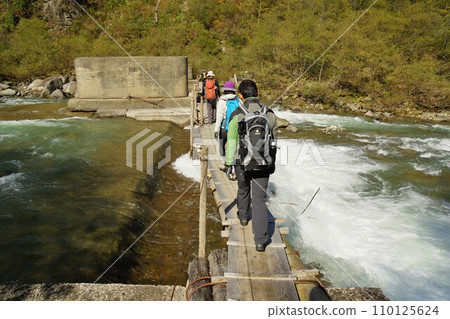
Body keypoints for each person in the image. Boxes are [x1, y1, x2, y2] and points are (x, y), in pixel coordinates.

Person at [226, 79, 277, 252]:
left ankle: (243, 217)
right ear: (258, 93)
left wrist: (228, 163)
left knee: (243, 189)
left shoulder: (237, 114)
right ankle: (261, 241)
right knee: (260, 199)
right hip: (263, 162)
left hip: (242, 162)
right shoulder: (269, 114)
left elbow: (231, 142)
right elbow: (273, 142)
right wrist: (272, 164)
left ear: (240, 96)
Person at [214, 81, 240, 173]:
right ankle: (233, 170)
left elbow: (219, 118)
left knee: (221, 144)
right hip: (235, 127)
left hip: (224, 127)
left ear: (225, 91)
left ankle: (223, 163)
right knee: (233, 147)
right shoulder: (238, 100)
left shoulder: (222, 101)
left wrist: (216, 130)